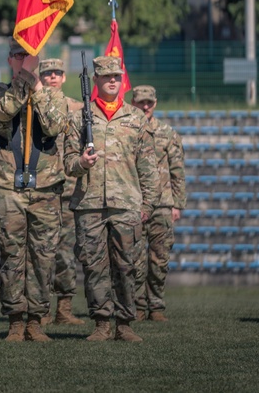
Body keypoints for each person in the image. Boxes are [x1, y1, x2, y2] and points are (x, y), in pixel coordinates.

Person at [63, 56, 156, 342]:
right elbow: (67, 162)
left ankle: (125, 323)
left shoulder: (135, 118)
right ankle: (102, 322)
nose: (112, 80)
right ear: (96, 81)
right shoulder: (80, 117)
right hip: (89, 202)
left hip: (125, 202)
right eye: (106, 76)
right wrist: (82, 162)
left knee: (127, 264)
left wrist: (148, 204)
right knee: (94, 265)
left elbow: (148, 165)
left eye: (116, 76)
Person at [0, 40, 69, 342]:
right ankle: (16, 319)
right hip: (7, 183)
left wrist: (39, 90)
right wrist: (24, 82)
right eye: (18, 55)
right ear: (9, 60)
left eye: (28, 55)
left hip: (44, 185)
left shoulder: (54, 96)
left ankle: (36, 319)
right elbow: (3, 112)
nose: (23, 60)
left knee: (44, 256)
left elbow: (56, 125)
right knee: (11, 255)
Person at [130, 85, 186, 322]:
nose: (145, 107)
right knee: (134, 259)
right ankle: (138, 306)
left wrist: (177, 205)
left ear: (155, 103)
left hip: (162, 204)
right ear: (133, 102)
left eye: (149, 103)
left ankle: (156, 306)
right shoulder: (127, 130)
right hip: (134, 203)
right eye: (141, 102)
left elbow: (177, 170)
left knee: (159, 258)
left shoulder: (167, 133)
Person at [38, 58, 86, 326]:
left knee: (66, 252)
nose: (52, 77)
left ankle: (64, 308)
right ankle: (40, 308)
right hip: (42, 187)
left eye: (57, 73)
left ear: (64, 78)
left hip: (67, 188)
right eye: (47, 73)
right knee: (41, 250)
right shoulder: (34, 104)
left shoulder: (78, 109)